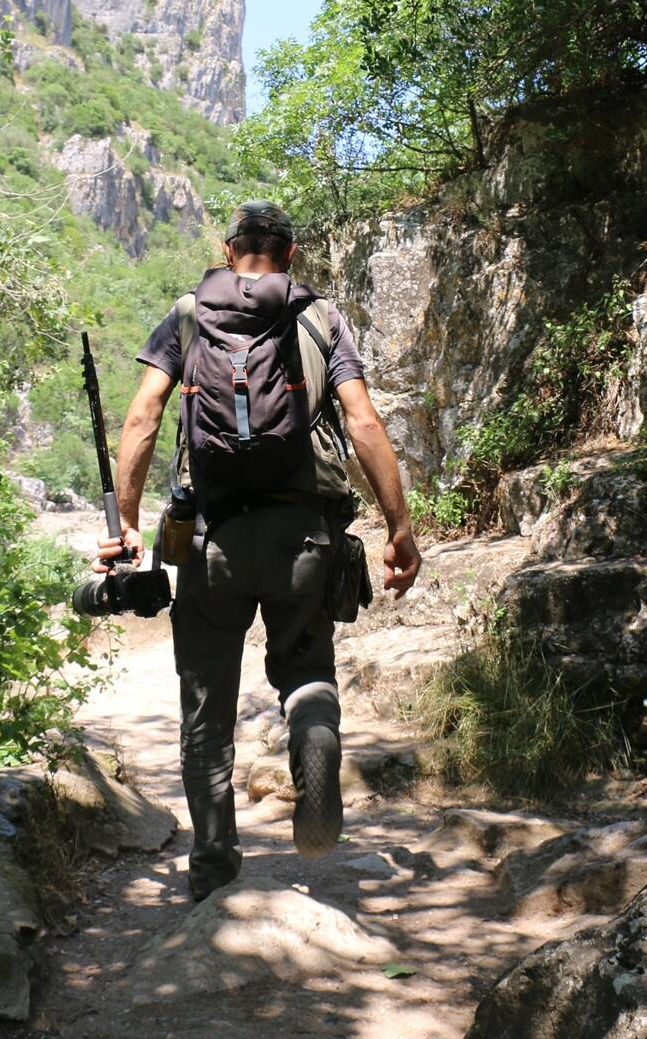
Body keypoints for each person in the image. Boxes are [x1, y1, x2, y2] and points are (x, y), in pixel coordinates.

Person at [91, 200, 422, 900]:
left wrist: (124, 523)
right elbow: (362, 420)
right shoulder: (320, 317)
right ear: (291, 253)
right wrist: (399, 527)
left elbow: (143, 416)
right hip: (307, 534)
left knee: (205, 708)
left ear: (226, 247)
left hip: (212, 539)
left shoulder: (187, 316)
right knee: (305, 670)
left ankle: (213, 871)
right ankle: (313, 735)